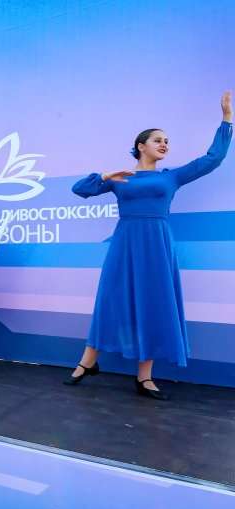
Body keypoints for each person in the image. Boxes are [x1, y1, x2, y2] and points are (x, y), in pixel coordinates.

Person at [64, 91, 232, 400]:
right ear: (141, 146)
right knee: (110, 299)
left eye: (167, 141)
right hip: (125, 243)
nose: (164, 144)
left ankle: (144, 377)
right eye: (158, 140)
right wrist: (104, 176)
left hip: (157, 245)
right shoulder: (121, 177)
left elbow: (213, 159)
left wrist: (226, 119)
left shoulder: (172, 177)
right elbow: (79, 189)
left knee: (153, 302)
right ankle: (88, 362)